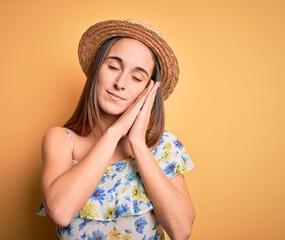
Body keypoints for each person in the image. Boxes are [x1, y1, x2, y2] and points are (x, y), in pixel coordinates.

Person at [38, 19, 195, 240]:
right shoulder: (62, 141)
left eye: (137, 77)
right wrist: (115, 132)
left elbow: (181, 231)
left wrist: (138, 144)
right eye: (113, 67)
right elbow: (60, 212)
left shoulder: (163, 146)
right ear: (96, 71)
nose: (120, 83)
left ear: (148, 91)